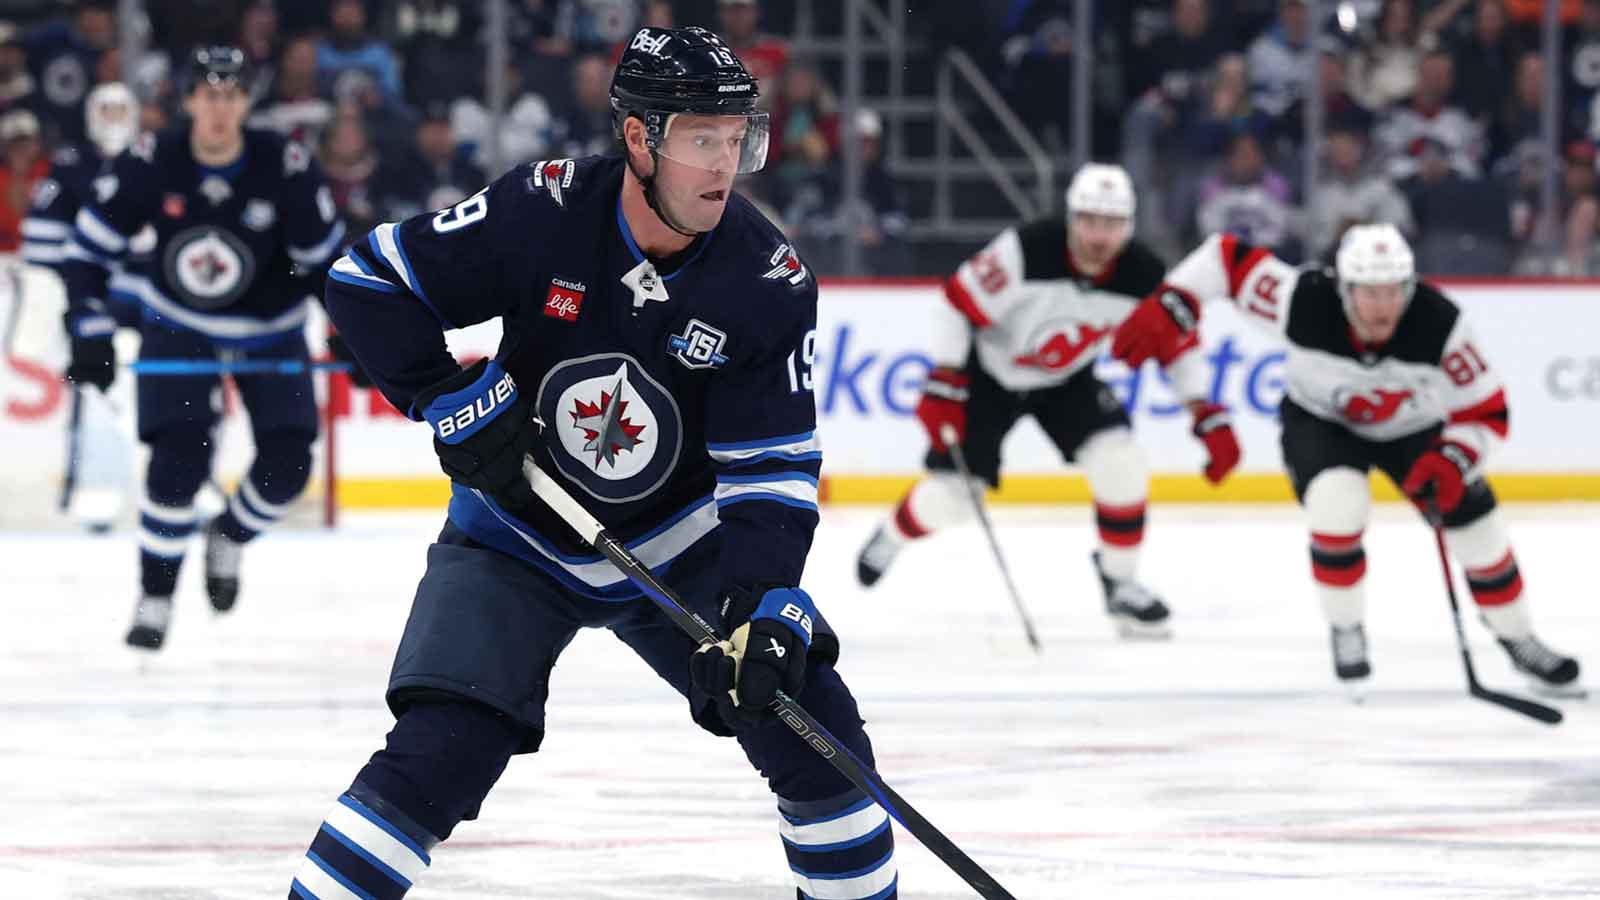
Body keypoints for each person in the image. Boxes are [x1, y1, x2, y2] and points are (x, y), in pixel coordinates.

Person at [286, 27, 899, 900]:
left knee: (823, 747)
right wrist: (443, 396)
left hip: (679, 548)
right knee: (441, 756)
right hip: (514, 527)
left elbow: (769, 474)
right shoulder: (547, 209)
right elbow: (366, 280)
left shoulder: (767, 279)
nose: (724, 165)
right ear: (639, 138)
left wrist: (763, 605)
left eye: (737, 139)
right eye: (701, 139)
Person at [1110, 223, 1581, 693]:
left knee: (1479, 530)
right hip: (1320, 422)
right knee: (1337, 504)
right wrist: (1175, 302)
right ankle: (1346, 627)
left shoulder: (1440, 324)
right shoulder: (1303, 300)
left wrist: (1453, 458)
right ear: (1344, 288)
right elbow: (1225, 258)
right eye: (1369, 293)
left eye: (1393, 291)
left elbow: (1487, 411)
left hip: (1414, 430)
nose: (1382, 307)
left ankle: (1519, 638)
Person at [854, 163, 1241, 639]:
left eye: (1112, 224)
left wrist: (1204, 412)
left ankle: (1121, 584)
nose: (1099, 236)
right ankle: (891, 536)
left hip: (1066, 380)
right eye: (1090, 221)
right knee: (953, 497)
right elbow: (954, 304)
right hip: (989, 374)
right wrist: (946, 379)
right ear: (1072, 217)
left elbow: (1178, 347)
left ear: (1130, 225)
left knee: (1121, 463)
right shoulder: (1027, 249)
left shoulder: (1143, 276)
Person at [59, 46, 345, 649]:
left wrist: (355, 333)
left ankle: (229, 537)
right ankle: (156, 593)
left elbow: (328, 267)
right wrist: (89, 328)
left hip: (270, 331)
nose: (220, 109)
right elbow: (87, 250)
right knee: (177, 464)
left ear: (247, 103)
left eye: (232, 95)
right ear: (189, 100)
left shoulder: (286, 164)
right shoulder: (152, 159)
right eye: (209, 95)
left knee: (289, 466)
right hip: (180, 326)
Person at [21, 81, 143, 530]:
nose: (112, 117)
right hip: (88, 303)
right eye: (104, 108)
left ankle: (189, 476)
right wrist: (74, 290)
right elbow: (43, 242)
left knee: (184, 385)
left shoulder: (155, 162)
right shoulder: (72, 165)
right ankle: (96, 486)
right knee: (96, 385)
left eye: (120, 108)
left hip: (154, 302)